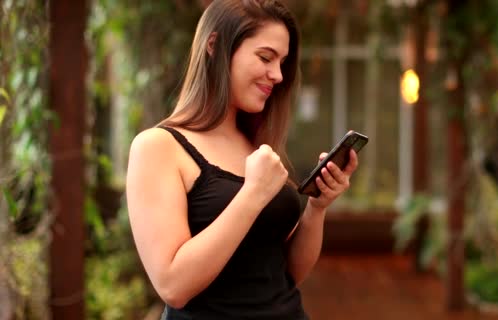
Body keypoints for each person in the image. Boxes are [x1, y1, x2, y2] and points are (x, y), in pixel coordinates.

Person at [126, 0, 359, 319]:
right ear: (215, 45)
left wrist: (317, 208)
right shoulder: (158, 147)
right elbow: (173, 286)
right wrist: (252, 195)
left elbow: (287, 274)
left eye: (282, 62)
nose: (277, 75)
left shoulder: (254, 143)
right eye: (265, 57)